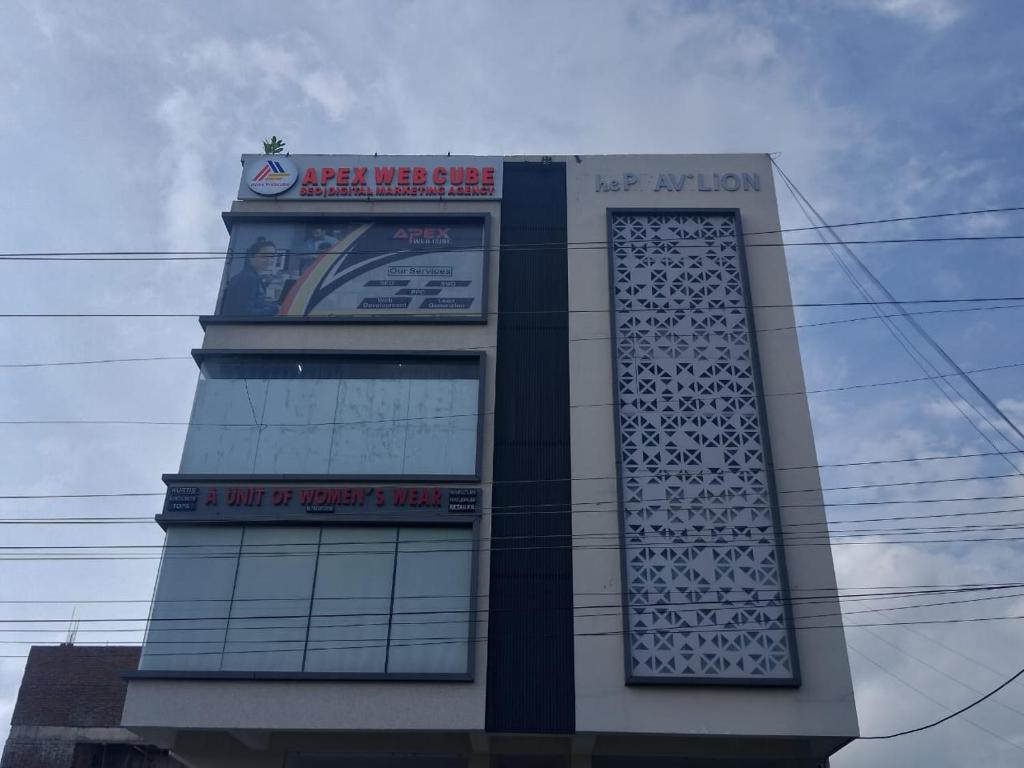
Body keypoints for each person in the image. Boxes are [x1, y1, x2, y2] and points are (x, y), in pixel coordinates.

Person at [220, 237, 279, 316]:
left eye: (272, 256)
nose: (269, 260)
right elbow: (247, 313)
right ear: (251, 257)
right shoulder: (248, 278)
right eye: (265, 256)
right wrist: (275, 310)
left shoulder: (250, 275)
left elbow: (252, 301)